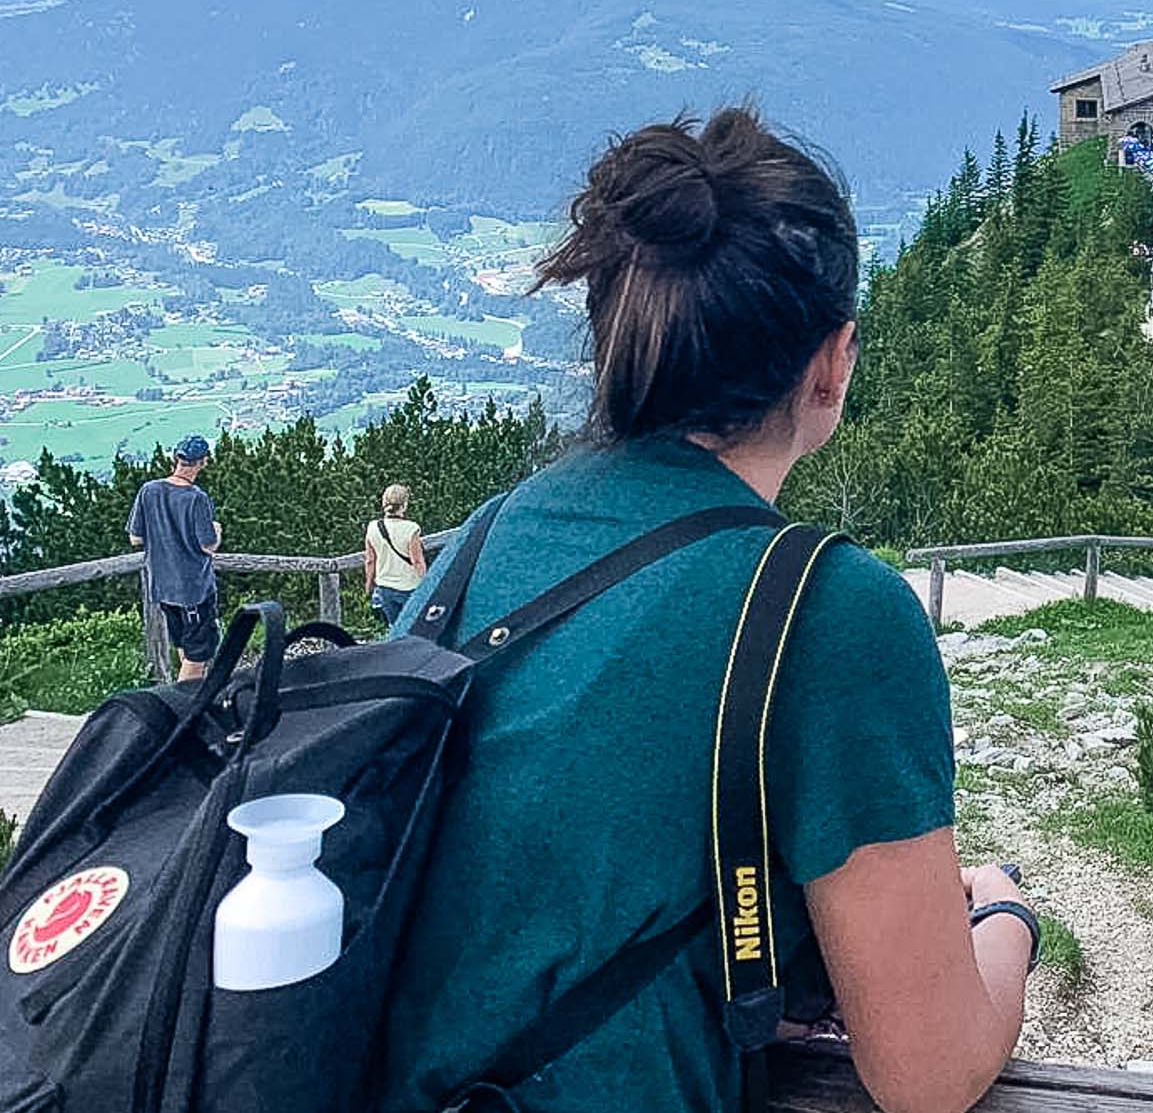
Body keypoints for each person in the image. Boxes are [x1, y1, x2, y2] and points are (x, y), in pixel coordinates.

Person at [382, 107, 1030, 1113]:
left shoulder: (485, 540)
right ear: (833, 361)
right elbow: (928, 1073)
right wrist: (1004, 915)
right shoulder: (830, 609)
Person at [125, 433, 221, 682]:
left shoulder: (149, 491)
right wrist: (217, 529)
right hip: (192, 589)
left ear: (175, 459)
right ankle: (185, 708)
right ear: (203, 462)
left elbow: (136, 539)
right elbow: (208, 545)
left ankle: (192, 694)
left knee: (184, 647)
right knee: (198, 656)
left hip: (163, 587)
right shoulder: (196, 498)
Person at [363, 481, 428, 626]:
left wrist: (369, 585)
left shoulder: (372, 527)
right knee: (414, 627)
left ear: (383, 503)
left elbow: (370, 560)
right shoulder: (412, 529)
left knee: (395, 627)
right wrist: (428, 584)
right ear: (404, 505)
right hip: (410, 587)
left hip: (385, 587)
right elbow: (417, 561)